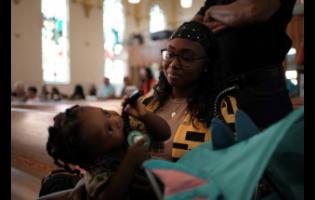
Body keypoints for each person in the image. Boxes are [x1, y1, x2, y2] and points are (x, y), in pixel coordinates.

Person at [129, 21, 237, 162]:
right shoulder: (148, 103)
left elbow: (230, 161)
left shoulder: (221, 107)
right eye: (170, 55)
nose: (173, 65)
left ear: (207, 64)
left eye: (187, 57)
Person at [192, 0, 296, 128]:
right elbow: (194, 30)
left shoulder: (212, 9)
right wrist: (232, 17)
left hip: (262, 88)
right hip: (218, 88)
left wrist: (212, 11)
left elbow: (253, 11)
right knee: (222, 145)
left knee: (270, 145)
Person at [39, 100, 170, 200]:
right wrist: (129, 162)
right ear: (96, 156)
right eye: (109, 130)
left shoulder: (128, 130)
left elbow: (164, 133)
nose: (115, 120)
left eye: (106, 114)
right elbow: (108, 197)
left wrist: (145, 115)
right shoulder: (99, 170)